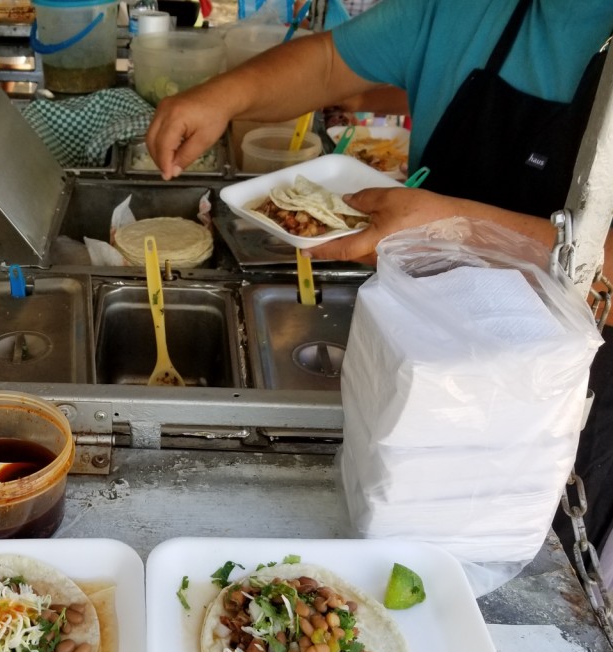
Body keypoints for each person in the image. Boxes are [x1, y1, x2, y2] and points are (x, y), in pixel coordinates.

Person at [145, 0, 613, 575]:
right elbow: (325, 64)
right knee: (374, 553)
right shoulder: (463, 9)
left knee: (516, 590)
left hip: (559, 399)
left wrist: (458, 228)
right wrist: (221, 96)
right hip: (413, 346)